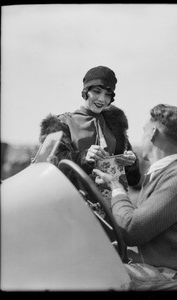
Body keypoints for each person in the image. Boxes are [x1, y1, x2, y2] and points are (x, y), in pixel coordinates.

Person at [93, 104, 177, 284]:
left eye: (143, 131)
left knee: (84, 269)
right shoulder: (162, 174)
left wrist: (116, 187)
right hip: (149, 265)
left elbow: (131, 230)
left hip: (165, 273)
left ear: (153, 132)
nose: (142, 137)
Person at [38, 66, 141, 236]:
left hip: (113, 211)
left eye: (108, 94)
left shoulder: (115, 125)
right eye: (97, 91)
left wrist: (131, 162)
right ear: (85, 91)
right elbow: (49, 171)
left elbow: (133, 178)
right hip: (73, 211)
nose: (102, 99)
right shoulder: (61, 123)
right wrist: (83, 156)